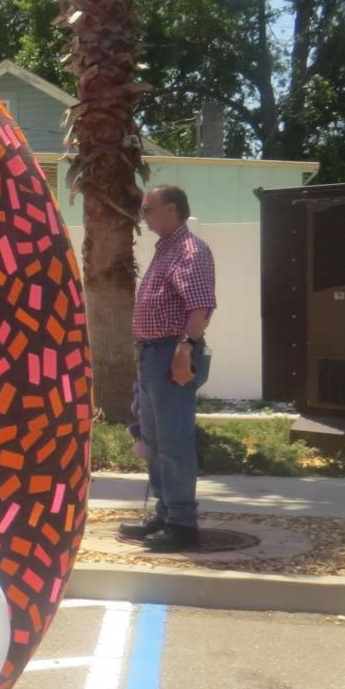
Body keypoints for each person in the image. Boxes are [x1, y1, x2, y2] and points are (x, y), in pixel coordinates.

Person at [119, 185, 217, 552]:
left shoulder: (190, 251)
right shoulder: (167, 249)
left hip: (171, 353)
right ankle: (165, 514)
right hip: (152, 354)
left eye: (148, 208)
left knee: (174, 441)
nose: (142, 215)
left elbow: (201, 307)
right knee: (155, 440)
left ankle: (182, 524)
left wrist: (184, 348)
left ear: (172, 209)